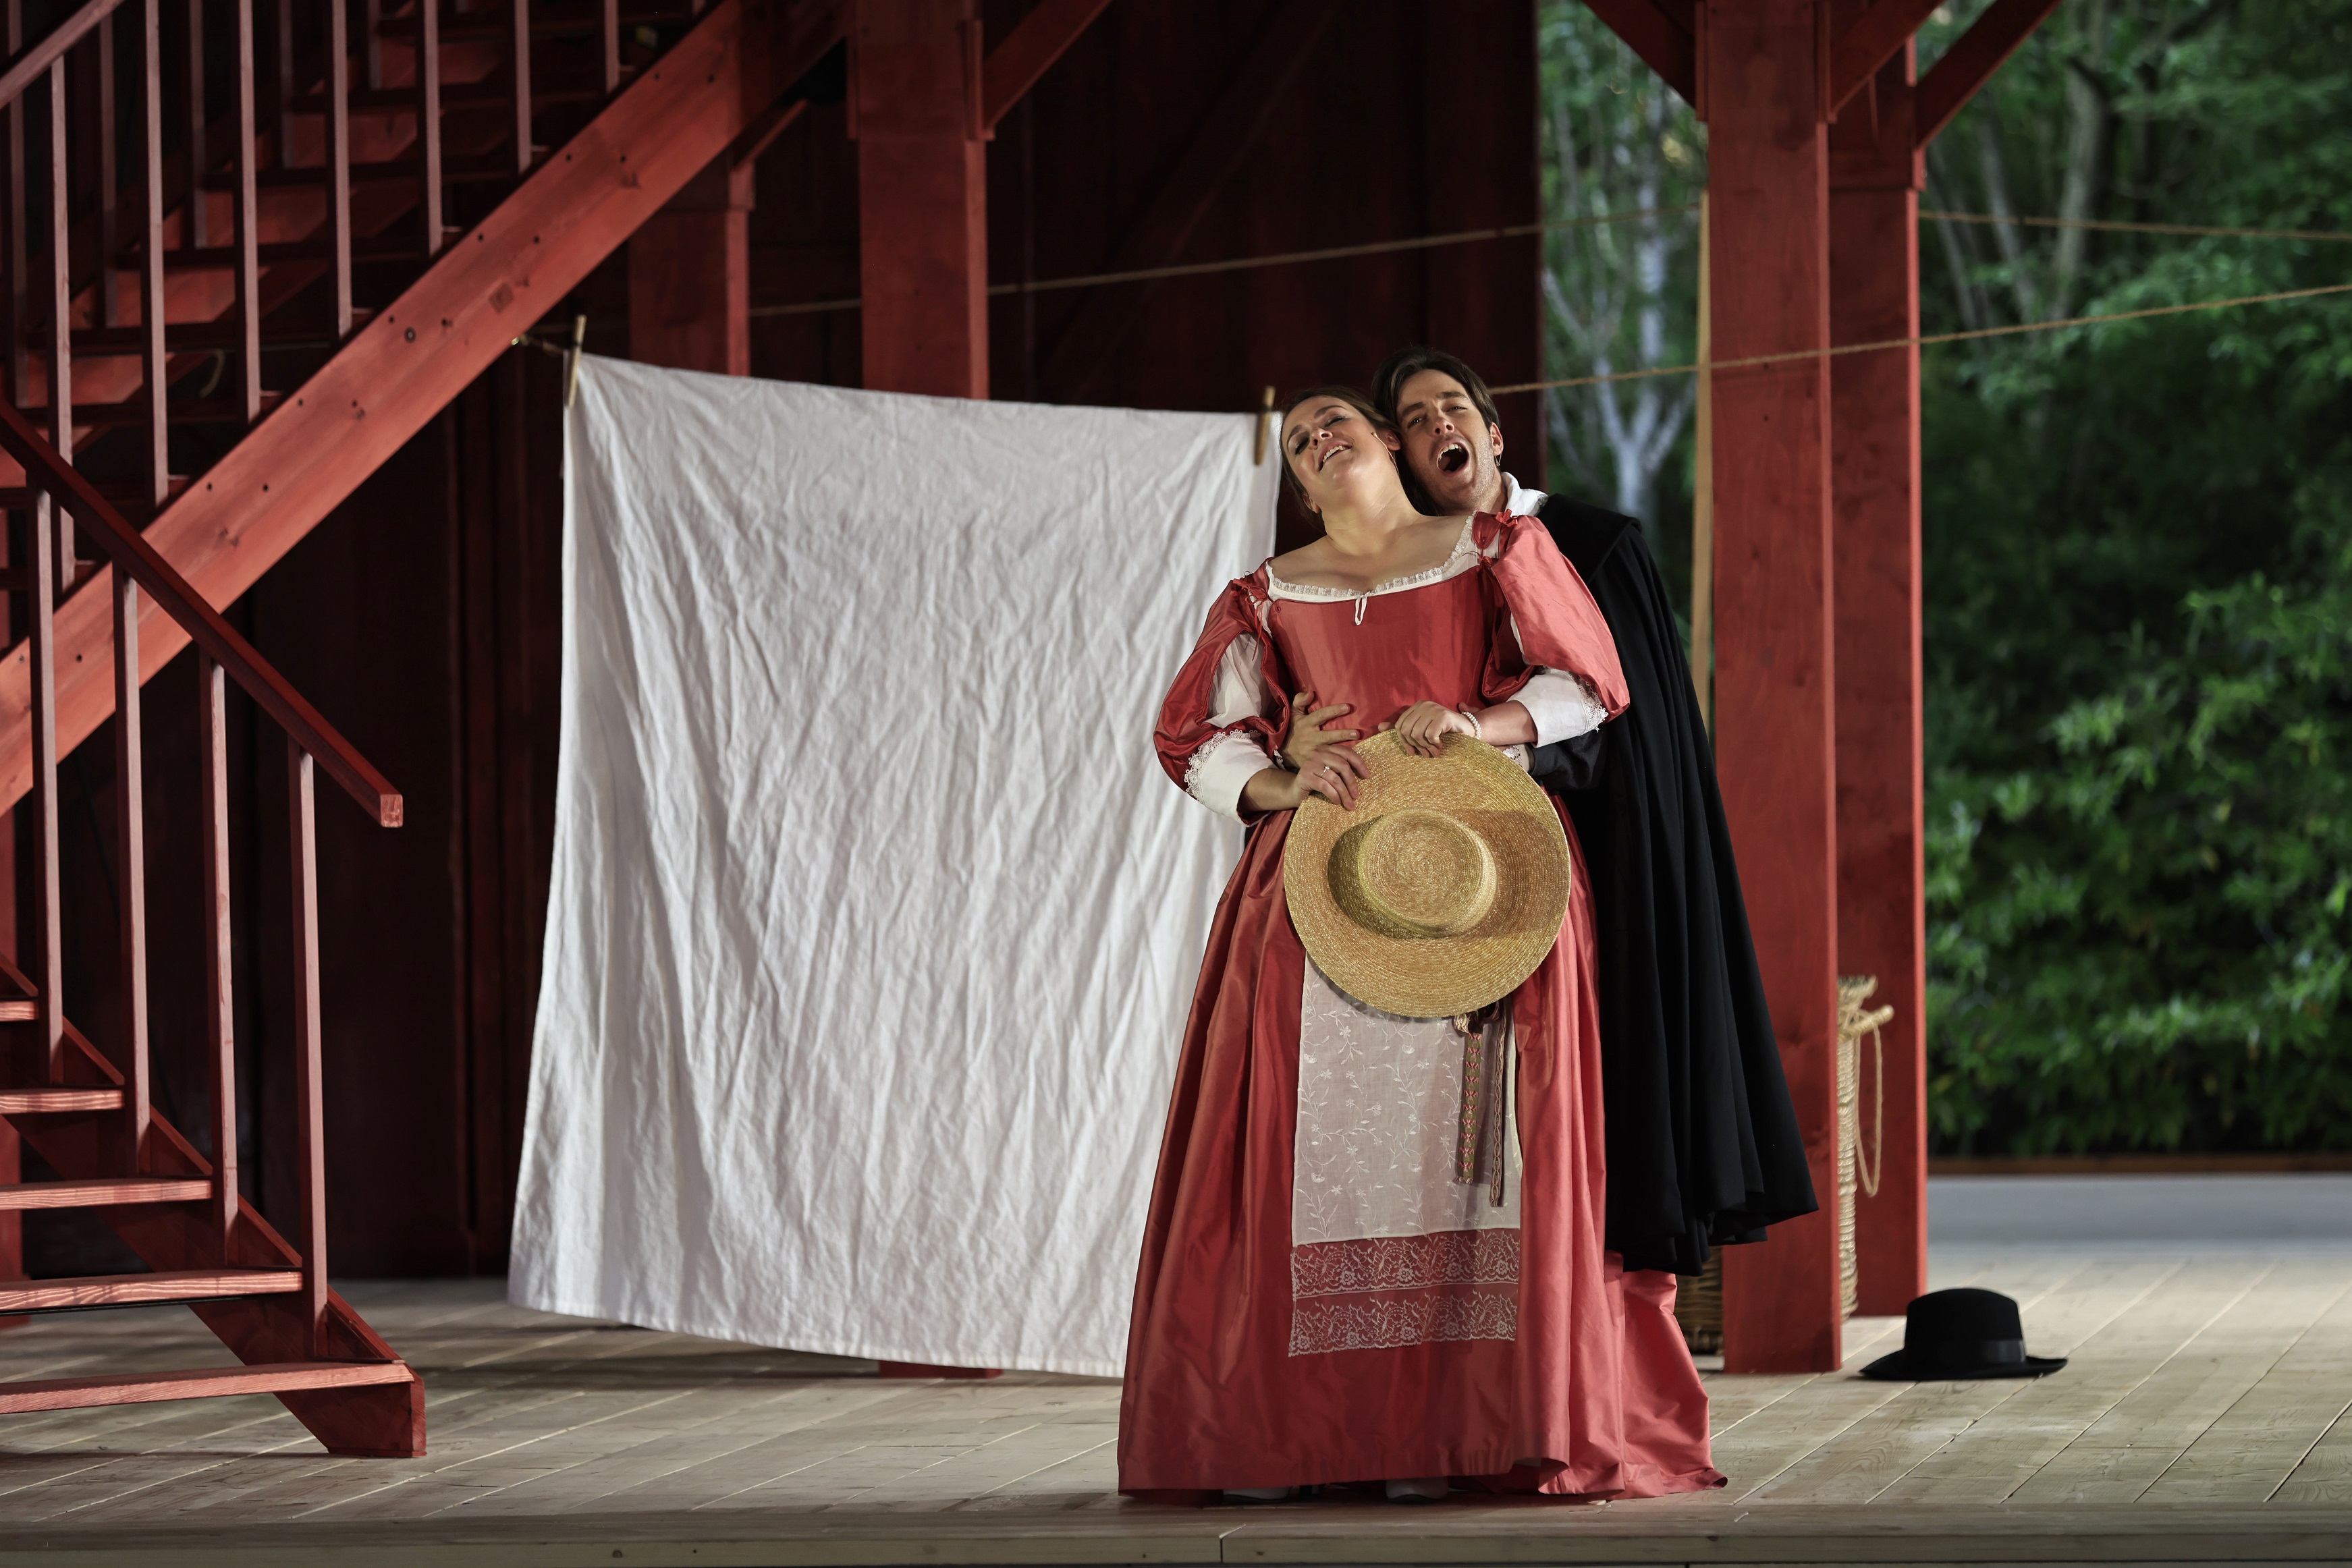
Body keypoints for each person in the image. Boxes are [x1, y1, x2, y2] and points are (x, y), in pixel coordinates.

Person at [1120, 387, 1722, 1504]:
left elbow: (1588, 683)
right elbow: (1190, 737)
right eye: (1300, 439)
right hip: (1317, 892)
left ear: (1391, 444)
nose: (1318, 436)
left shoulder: (1492, 545)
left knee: (1489, 1151)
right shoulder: (1262, 595)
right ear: (1296, 483)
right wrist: (1282, 776)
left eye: (1335, 417)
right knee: (1318, 1159)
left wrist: (1473, 723)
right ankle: (1318, 1437)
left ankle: (1487, 1425)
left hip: (1482, 875)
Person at [1359, 346, 1816, 1278]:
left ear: (1492, 434)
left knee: (1601, 1094)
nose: (1439, 425)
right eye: (1414, 419)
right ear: (1403, 459)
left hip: (1603, 857)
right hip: (1460, 873)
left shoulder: (1591, 542)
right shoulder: (1406, 574)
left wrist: (1488, 736)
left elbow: (1627, 728)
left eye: (1453, 408)